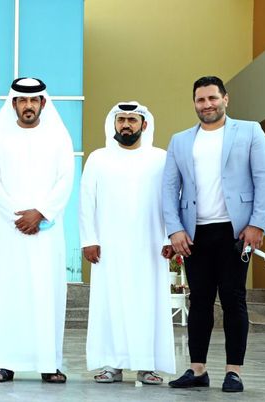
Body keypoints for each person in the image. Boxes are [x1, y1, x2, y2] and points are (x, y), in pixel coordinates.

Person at [163, 76, 265, 392]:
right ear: (194, 103)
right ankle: (197, 370)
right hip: (195, 233)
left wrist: (257, 224)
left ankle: (233, 371)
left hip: (236, 232)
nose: (207, 104)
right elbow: (169, 188)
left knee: (233, 298)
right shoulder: (180, 141)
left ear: (225, 99)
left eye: (213, 98)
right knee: (198, 300)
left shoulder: (250, 131)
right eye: (200, 99)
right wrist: (174, 229)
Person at [0, 77, 74, 383]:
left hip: (47, 234)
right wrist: (18, 217)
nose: (28, 105)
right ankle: (3, 362)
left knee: (48, 295)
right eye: (22, 100)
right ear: (14, 104)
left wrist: (41, 214)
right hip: (10, 233)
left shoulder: (59, 138)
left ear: (43, 103)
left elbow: (65, 181)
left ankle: (49, 363)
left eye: (34, 100)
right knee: (9, 296)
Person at [80, 101, 175, 385]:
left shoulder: (160, 158)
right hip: (108, 248)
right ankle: (112, 365)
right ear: (114, 124)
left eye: (132, 120)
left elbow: (172, 200)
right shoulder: (98, 158)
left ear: (144, 125)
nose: (126, 125)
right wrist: (89, 239)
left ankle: (147, 366)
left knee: (148, 305)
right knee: (111, 304)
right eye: (121, 119)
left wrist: (170, 236)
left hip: (151, 246)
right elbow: (86, 201)